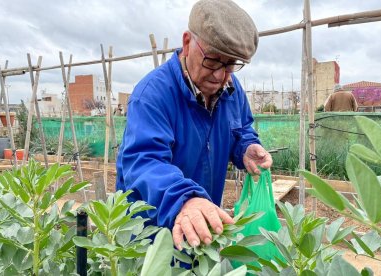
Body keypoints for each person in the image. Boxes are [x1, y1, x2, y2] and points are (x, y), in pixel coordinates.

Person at [116, 0, 272, 250]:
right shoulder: (152, 95)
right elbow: (144, 162)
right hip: (152, 237)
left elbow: (240, 127)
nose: (220, 76)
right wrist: (185, 200)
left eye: (231, 64)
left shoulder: (232, 89)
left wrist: (246, 147)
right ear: (187, 43)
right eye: (212, 60)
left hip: (201, 226)